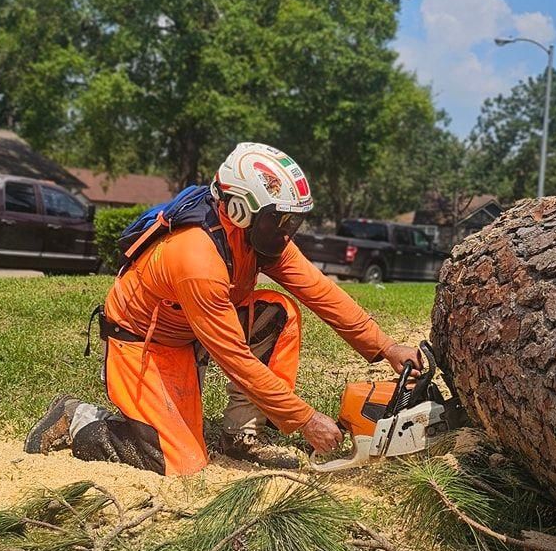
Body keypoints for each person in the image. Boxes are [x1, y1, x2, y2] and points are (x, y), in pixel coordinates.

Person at [25, 143, 422, 476]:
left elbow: (320, 291)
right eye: (280, 220)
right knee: (179, 461)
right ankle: (78, 416)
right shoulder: (197, 257)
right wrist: (304, 418)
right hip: (143, 343)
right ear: (239, 210)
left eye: (293, 221)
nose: (287, 231)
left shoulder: (259, 239)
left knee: (278, 315)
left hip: (190, 332)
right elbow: (234, 357)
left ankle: (240, 436)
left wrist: (386, 348)